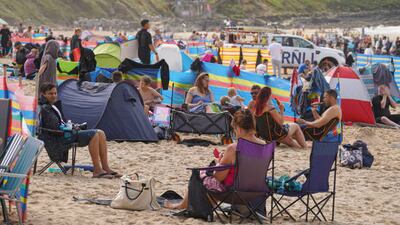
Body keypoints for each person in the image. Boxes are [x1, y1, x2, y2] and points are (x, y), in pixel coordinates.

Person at [164, 109, 266, 209]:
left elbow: (218, 177)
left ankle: (182, 205)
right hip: (255, 191)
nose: (235, 132)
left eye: (234, 129)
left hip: (233, 191)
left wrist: (219, 163)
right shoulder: (264, 145)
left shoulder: (234, 148)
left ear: (238, 128)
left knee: (198, 174)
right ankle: (208, 205)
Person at [38, 83, 121, 178]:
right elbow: (55, 128)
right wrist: (72, 128)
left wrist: (73, 126)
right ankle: (97, 170)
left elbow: (60, 124)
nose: (53, 96)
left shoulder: (52, 106)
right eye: (50, 94)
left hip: (63, 134)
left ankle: (105, 168)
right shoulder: (46, 109)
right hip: (58, 139)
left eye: (55, 93)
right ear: (43, 94)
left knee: (100, 133)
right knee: (94, 134)